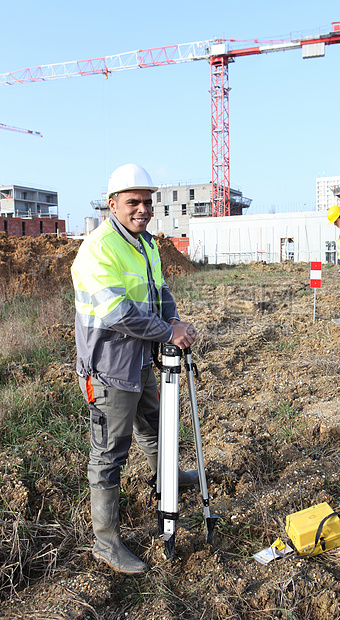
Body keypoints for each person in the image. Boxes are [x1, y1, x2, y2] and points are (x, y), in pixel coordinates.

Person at [71, 163, 199, 575]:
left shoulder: (144, 244)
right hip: (109, 367)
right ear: (112, 204)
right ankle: (106, 543)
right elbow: (117, 312)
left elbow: (158, 291)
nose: (143, 209)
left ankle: (169, 477)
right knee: (109, 453)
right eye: (133, 202)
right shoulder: (98, 247)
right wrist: (168, 332)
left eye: (147, 201)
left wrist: (174, 320)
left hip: (142, 358)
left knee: (155, 425)